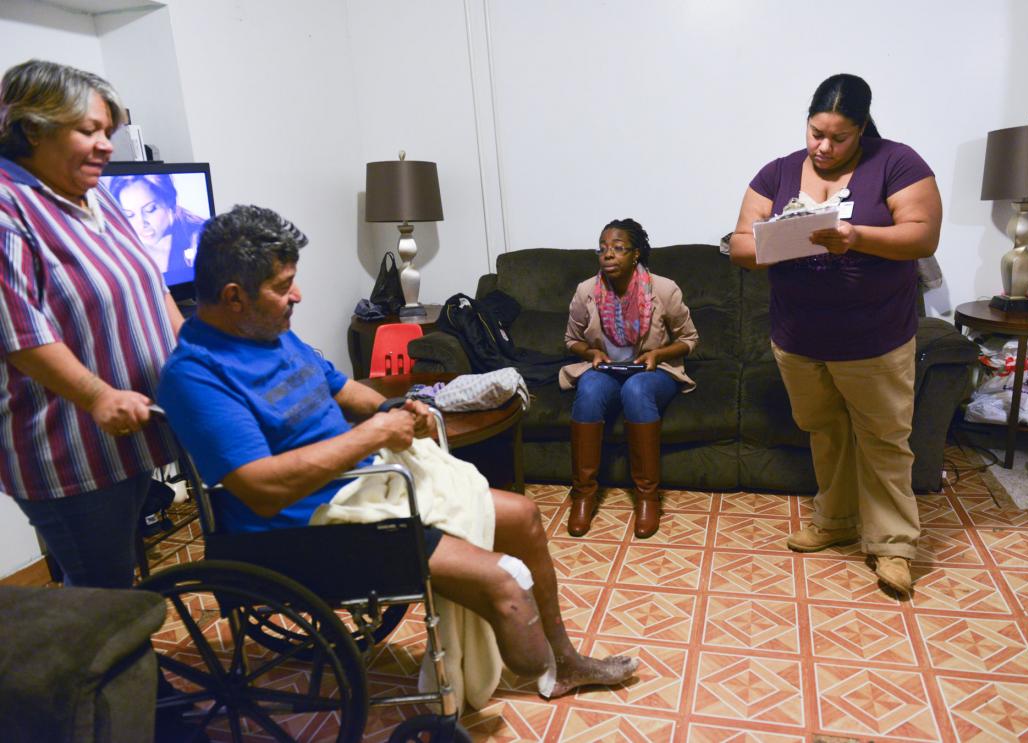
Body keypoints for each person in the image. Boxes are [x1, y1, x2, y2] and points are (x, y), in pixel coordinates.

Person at [156, 204, 638, 699]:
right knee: (507, 588)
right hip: (310, 525)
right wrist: (372, 435)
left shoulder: (272, 336)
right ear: (234, 297)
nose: (296, 295)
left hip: (364, 481)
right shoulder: (197, 378)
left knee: (524, 517)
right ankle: (521, 658)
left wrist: (398, 407)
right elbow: (261, 488)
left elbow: (345, 390)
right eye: (283, 286)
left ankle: (567, 663)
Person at [728, 74, 942, 597]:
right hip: (798, 338)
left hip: (875, 338)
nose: (823, 147)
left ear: (863, 129)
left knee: (884, 441)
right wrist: (780, 240)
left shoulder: (897, 163)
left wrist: (855, 236)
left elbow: (922, 234)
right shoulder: (776, 172)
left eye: (839, 137)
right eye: (815, 132)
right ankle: (836, 519)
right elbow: (738, 243)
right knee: (825, 431)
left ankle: (892, 545)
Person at [0, 60, 184, 589]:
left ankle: (129, 668)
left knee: (120, 573)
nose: (106, 145)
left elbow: (153, 283)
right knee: (101, 593)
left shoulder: (96, 193)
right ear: (32, 128)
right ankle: (105, 673)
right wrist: (100, 395)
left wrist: (194, 352)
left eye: (109, 131)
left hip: (132, 429)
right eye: (88, 131)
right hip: (69, 444)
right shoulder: (9, 208)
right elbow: (20, 334)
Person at [560, 219, 698, 539]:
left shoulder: (663, 289)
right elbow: (571, 340)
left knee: (636, 390)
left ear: (635, 254)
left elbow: (689, 339)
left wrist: (657, 355)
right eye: (603, 248)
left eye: (618, 248)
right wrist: (591, 354)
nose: (608, 255)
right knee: (590, 388)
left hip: (653, 371)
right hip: (606, 370)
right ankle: (583, 496)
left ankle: (647, 498)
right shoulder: (586, 291)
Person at [107, 174, 206, 285]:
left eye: (150, 209)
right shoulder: (118, 247)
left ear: (171, 203)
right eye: (130, 215)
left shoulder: (201, 237)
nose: (141, 223)